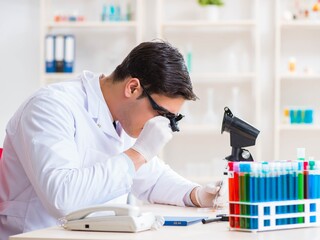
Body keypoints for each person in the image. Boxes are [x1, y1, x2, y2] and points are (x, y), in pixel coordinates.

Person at [0, 40, 225, 239]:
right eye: (162, 114)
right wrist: (139, 153)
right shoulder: (50, 107)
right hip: (36, 235)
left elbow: (153, 179)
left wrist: (197, 195)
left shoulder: (121, 120)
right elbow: (63, 199)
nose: (163, 124)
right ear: (133, 87)